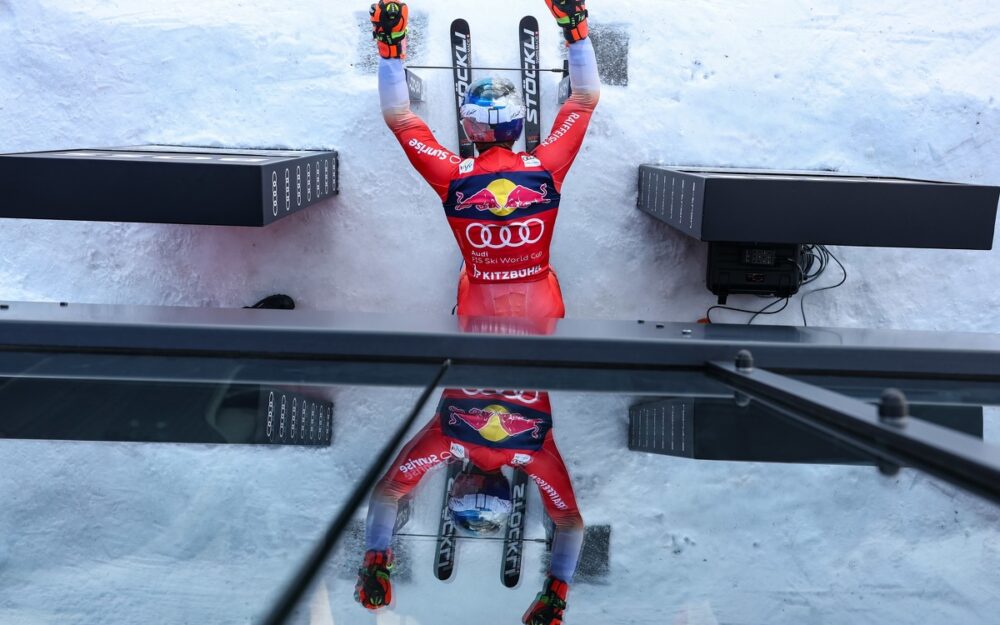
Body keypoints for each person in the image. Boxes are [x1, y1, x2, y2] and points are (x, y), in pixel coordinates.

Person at [372, 0, 600, 319]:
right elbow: (584, 99)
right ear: (520, 122)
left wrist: (390, 49)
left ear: (469, 127)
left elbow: (398, 116)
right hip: (543, 306)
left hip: (477, 307)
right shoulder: (546, 168)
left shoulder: (453, 177)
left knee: (468, 276)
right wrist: (576, 31)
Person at [355, 389, 583, 625]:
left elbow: (570, 522)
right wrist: (376, 562)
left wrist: (556, 593)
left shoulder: (535, 454)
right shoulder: (446, 439)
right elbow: (388, 492)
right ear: (462, 484)